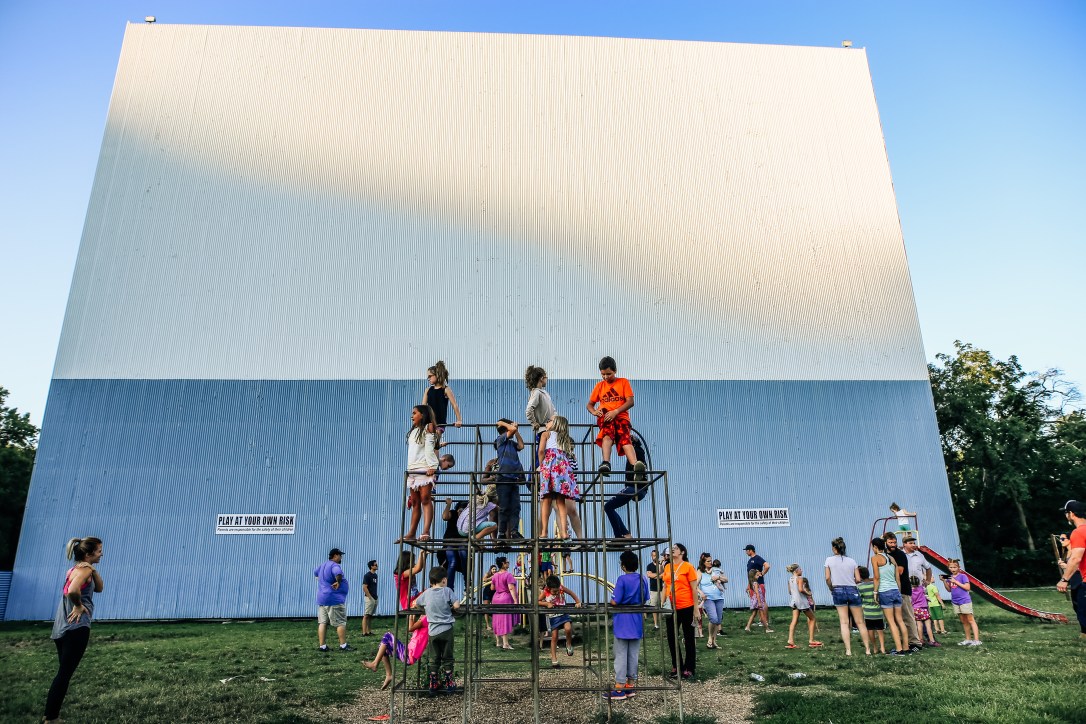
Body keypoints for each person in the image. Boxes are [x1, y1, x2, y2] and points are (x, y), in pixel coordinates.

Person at [44, 536, 103, 724]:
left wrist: (93, 568)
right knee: (64, 674)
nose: (102, 554)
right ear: (88, 554)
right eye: (99, 551)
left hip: (62, 627)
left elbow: (100, 588)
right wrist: (78, 606)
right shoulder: (84, 570)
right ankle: (50, 718)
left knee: (63, 673)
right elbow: (73, 591)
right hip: (76, 628)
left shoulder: (77, 569)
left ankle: (51, 715)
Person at [585, 356, 646, 480]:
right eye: (603, 374)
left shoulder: (623, 382)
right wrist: (595, 412)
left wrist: (616, 411)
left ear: (615, 371)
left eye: (609, 374)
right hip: (606, 416)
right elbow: (589, 404)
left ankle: (636, 466)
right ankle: (606, 463)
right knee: (607, 435)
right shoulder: (599, 386)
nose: (606, 377)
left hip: (621, 416)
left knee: (625, 438)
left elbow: (630, 401)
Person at [605, 550, 648, 701]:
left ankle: (619, 688)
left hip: (623, 622)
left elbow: (615, 601)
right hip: (637, 621)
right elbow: (645, 598)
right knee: (633, 655)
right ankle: (630, 685)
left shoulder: (622, 579)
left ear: (623, 566)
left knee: (621, 655)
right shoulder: (643, 578)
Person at [415, 566, 462, 695]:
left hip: (432, 631)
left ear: (431, 581)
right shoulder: (447, 591)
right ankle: (449, 682)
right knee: (448, 656)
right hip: (447, 629)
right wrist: (453, 607)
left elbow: (416, 603)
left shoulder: (427, 593)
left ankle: (433, 683)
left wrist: (425, 610)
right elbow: (457, 605)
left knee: (433, 657)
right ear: (444, 580)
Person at [824, 537, 870, 656]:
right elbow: (858, 579)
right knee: (860, 622)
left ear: (834, 548)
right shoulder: (852, 561)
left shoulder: (829, 560)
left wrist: (831, 587)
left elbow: (827, 578)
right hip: (852, 589)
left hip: (837, 589)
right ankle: (867, 650)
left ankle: (848, 650)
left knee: (844, 622)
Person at [536, 416, 581, 539]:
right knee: (561, 501)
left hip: (550, 466)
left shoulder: (546, 434)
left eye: (549, 420)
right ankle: (564, 533)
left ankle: (544, 532)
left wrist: (542, 465)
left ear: (555, 423)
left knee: (546, 500)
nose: (547, 422)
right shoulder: (564, 438)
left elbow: (540, 451)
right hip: (563, 468)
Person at [400, 405, 439, 542]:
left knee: (425, 499)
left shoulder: (428, 427)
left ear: (422, 415)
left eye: (414, 413)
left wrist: (433, 466)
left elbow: (429, 448)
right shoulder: (413, 431)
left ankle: (425, 531)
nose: (412, 416)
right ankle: (411, 533)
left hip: (424, 468)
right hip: (413, 469)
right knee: (415, 502)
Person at [661, 542, 700, 680]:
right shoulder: (667, 566)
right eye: (671, 549)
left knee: (688, 637)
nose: (672, 550)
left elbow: (694, 589)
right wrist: (662, 603)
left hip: (687, 606)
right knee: (671, 637)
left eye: (675, 548)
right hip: (671, 607)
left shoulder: (688, 567)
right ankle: (677, 665)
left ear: (682, 552)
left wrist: (696, 608)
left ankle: (689, 667)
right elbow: (665, 586)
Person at [363, 613, 429, 690]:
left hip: (409, 655)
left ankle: (375, 664)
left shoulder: (426, 618)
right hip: (409, 653)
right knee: (383, 647)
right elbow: (412, 628)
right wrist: (412, 616)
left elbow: (410, 628)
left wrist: (411, 614)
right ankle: (388, 675)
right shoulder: (426, 618)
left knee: (387, 636)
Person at [603, 437, 650, 539]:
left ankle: (623, 535)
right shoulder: (637, 452)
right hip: (637, 488)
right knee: (609, 507)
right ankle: (623, 534)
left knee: (608, 506)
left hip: (635, 487)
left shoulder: (636, 451)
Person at [884, 532, 923, 653]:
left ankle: (915, 642)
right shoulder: (885, 555)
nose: (893, 545)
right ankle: (902, 643)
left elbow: (899, 571)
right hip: (892, 589)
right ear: (885, 543)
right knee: (897, 619)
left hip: (903, 589)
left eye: (894, 542)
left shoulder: (899, 554)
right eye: (890, 542)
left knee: (907, 617)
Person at [871, 537, 908, 655]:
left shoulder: (875, 558)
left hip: (884, 591)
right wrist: (899, 591)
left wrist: (875, 593)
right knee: (900, 620)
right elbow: (897, 577)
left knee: (891, 622)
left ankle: (899, 649)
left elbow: (876, 577)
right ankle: (906, 647)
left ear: (875, 547)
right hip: (896, 590)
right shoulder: (891, 558)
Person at [1056, 500, 1086, 639]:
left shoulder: (1079, 532)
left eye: (1066, 513)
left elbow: (1075, 559)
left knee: (1083, 612)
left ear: (1071, 514)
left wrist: (1064, 579)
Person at [539, 573, 583, 666]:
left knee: (568, 628)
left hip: (563, 613)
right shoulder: (545, 592)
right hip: (553, 616)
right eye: (554, 592)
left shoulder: (561, 588)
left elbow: (571, 593)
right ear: (549, 588)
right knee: (554, 637)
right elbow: (537, 601)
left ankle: (568, 644)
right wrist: (546, 604)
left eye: (558, 590)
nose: (557, 593)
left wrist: (577, 601)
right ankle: (554, 658)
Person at [494, 418, 526, 539]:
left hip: (513, 479)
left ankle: (514, 531)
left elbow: (521, 446)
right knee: (504, 507)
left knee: (515, 507)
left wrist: (516, 431)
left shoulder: (512, 443)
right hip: (503, 478)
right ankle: (501, 533)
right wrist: (506, 425)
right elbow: (511, 429)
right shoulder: (500, 439)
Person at [315, 548, 351, 652]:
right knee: (340, 622)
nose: (341, 558)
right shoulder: (334, 565)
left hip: (322, 598)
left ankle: (322, 646)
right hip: (333, 599)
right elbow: (338, 573)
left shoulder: (322, 565)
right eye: (340, 555)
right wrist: (338, 582)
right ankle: (343, 645)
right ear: (335, 556)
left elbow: (315, 572)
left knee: (322, 622)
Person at [944, 559, 981, 645]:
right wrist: (944, 582)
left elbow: (967, 588)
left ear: (958, 568)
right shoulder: (949, 577)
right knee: (964, 621)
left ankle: (977, 640)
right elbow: (949, 590)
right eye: (951, 567)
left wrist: (955, 581)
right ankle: (968, 639)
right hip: (955, 601)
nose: (953, 569)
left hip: (964, 601)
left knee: (970, 620)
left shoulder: (963, 576)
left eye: (954, 567)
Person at [785, 564, 820, 649]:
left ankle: (790, 640)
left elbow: (790, 592)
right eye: (800, 569)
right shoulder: (799, 579)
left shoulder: (790, 579)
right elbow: (801, 589)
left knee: (794, 621)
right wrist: (808, 593)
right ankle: (811, 640)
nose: (802, 570)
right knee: (812, 619)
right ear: (797, 570)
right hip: (802, 602)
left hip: (794, 602)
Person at [439, 497, 468, 591]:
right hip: (450, 542)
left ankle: (467, 581)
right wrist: (448, 504)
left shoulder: (467, 518)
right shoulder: (453, 513)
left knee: (463, 554)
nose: (460, 513)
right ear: (457, 509)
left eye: (463, 512)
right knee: (453, 562)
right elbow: (444, 517)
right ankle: (449, 588)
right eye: (459, 511)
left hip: (461, 543)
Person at [697, 553, 726, 649]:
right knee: (713, 618)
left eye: (711, 560)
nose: (710, 562)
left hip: (719, 598)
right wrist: (700, 592)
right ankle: (710, 638)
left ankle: (714, 641)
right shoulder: (700, 571)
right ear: (703, 562)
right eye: (708, 561)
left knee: (718, 621)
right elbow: (695, 585)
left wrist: (718, 577)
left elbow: (726, 579)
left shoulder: (715, 570)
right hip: (708, 598)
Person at [423, 360, 463, 429]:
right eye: (428, 377)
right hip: (428, 423)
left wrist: (459, 420)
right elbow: (423, 407)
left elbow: (454, 405)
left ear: (437, 375)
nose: (428, 378)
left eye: (430, 376)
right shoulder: (428, 390)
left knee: (435, 437)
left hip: (440, 424)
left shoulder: (446, 390)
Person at [856, 566, 886, 654]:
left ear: (860, 576)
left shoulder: (859, 587)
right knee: (880, 630)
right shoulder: (875, 584)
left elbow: (860, 599)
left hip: (867, 612)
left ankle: (875, 647)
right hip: (878, 611)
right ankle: (883, 648)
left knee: (870, 630)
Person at [743, 545, 772, 632]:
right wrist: (748, 585)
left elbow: (767, 566)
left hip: (759, 584)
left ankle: (765, 620)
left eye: (746, 550)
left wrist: (762, 574)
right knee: (757, 605)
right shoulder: (749, 561)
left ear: (750, 550)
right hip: (752, 584)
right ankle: (760, 621)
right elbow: (749, 575)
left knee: (762, 602)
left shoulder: (757, 558)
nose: (746, 552)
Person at [491, 556, 518, 649]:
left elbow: (492, 588)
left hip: (496, 598)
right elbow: (511, 588)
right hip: (505, 598)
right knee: (504, 620)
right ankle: (505, 643)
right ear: (503, 563)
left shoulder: (495, 575)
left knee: (497, 619)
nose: (508, 563)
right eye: (507, 562)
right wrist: (515, 600)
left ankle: (498, 642)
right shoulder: (508, 575)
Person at [524, 365, 557, 435]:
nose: (546, 379)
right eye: (546, 377)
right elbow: (529, 410)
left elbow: (552, 410)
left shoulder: (545, 393)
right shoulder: (536, 392)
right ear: (542, 378)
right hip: (543, 429)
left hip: (551, 428)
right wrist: (534, 423)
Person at [910, 575, 938, 646]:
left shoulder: (910, 591)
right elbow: (926, 584)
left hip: (915, 609)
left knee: (919, 626)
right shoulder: (922, 588)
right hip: (924, 609)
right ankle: (932, 640)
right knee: (928, 626)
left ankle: (921, 640)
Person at [645, 549, 663, 630]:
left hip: (663, 589)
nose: (654, 557)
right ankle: (656, 624)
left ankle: (664, 622)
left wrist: (655, 575)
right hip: (654, 589)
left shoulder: (662, 565)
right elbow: (649, 575)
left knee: (663, 606)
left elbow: (664, 574)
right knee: (654, 607)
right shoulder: (649, 566)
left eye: (655, 555)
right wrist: (659, 575)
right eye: (653, 555)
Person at [362, 559, 379, 636]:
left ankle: (369, 631)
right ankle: (364, 632)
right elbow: (364, 587)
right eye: (375, 565)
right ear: (371, 566)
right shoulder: (367, 575)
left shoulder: (375, 575)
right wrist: (370, 597)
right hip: (370, 598)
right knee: (366, 615)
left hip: (375, 597)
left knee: (370, 615)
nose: (377, 566)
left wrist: (375, 597)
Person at [481, 564, 498, 631]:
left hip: (494, 592)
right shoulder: (487, 574)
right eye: (493, 569)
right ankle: (487, 625)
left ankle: (494, 624)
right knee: (486, 608)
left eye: (495, 569)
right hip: (487, 592)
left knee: (494, 608)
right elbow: (484, 580)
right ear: (491, 570)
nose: (494, 570)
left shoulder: (497, 574)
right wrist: (492, 578)